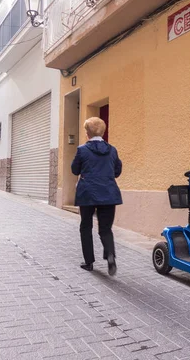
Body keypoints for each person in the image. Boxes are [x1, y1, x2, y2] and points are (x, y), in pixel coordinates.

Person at [71, 117, 122, 275]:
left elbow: (75, 169)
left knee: (86, 226)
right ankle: (110, 255)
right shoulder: (112, 150)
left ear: (87, 133)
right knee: (106, 229)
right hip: (108, 192)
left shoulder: (82, 150)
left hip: (88, 193)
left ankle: (89, 262)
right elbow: (117, 171)